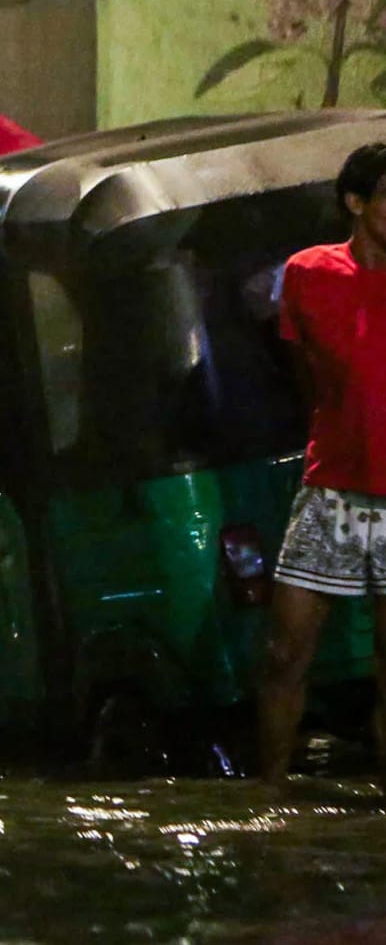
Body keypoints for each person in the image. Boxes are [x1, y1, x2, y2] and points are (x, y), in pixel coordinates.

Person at [257, 143, 386, 786]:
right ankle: (269, 799)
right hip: (331, 488)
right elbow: (303, 377)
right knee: (285, 651)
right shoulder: (308, 274)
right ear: (356, 203)